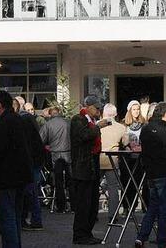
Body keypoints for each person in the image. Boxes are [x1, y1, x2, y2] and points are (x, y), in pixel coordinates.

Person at [0, 90, 33, 248]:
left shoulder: (4, 122)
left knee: (7, 217)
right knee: (14, 216)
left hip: (7, 178)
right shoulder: (17, 119)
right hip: (20, 176)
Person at [135, 102, 166, 248]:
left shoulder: (146, 128)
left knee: (153, 207)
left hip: (150, 173)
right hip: (164, 173)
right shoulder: (163, 130)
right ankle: (164, 240)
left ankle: (141, 237)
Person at [70, 95, 109, 245]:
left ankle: (87, 232)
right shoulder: (78, 120)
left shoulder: (90, 121)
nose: (99, 111)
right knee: (84, 204)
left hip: (91, 166)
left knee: (92, 204)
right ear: (89, 107)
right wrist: (98, 126)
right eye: (97, 108)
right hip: (83, 167)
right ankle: (80, 234)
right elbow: (83, 136)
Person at [39, 106, 72, 213]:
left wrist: (46, 146)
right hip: (68, 153)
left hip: (55, 154)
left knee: (58, 181)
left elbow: (41, 140)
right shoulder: (68, 123)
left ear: (50, 114)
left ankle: (60, 205)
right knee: (70, 180)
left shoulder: (48, 125)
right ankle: (73, 204)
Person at [99, 103, 128, 220]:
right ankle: (113, 214)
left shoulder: (97, 126)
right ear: (115, 114)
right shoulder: (121, 128)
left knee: (94, 187)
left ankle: (92, 213)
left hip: (98, 159)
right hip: (113, 160)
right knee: (113, 188)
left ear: (103, 113)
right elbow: (125, 143)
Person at [18, 106, 46, 231]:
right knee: (32, 192)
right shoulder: (36, 136)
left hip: (29, 165)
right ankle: (34, 219)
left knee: (29, 193)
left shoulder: (25, 136)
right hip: (35, 164)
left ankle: (32, 220)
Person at [122, 100, 146, 213]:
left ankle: (138, 205)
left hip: (140, 157)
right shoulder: (124, 124)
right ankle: (127, 206)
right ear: (129, 110)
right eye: (134, 109)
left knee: (138, 182)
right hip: (128, 158)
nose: (136, 112)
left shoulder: (143, 124)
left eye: (138, 109)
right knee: (127, 182)